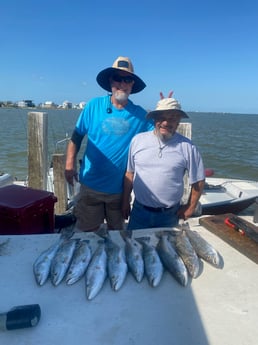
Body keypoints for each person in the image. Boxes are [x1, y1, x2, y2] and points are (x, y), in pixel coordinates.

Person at [65, 56, 153, 231]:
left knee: (118, 235)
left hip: (119, 191)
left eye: (127, 79)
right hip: (90, 186)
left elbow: (160, 133)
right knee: (87, 234)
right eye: (117, 78)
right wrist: (69, 164)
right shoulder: (93, 106)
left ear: (132, 84)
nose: (122, 83)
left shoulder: (140, 116)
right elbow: (76, 136)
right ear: (110, 81)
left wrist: (167, 111)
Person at [122, 95, 205, 230]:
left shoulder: (188, 147)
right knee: (135, 248)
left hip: (169, 215)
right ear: (154, 119)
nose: (166, 123)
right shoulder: (137, 141)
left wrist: (190, 207)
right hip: (139, 212)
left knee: (167, 251)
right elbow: (129, 174)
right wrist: (125, 201)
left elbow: (199, 180)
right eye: (161, 118)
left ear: (178, 122)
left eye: (172, 118)